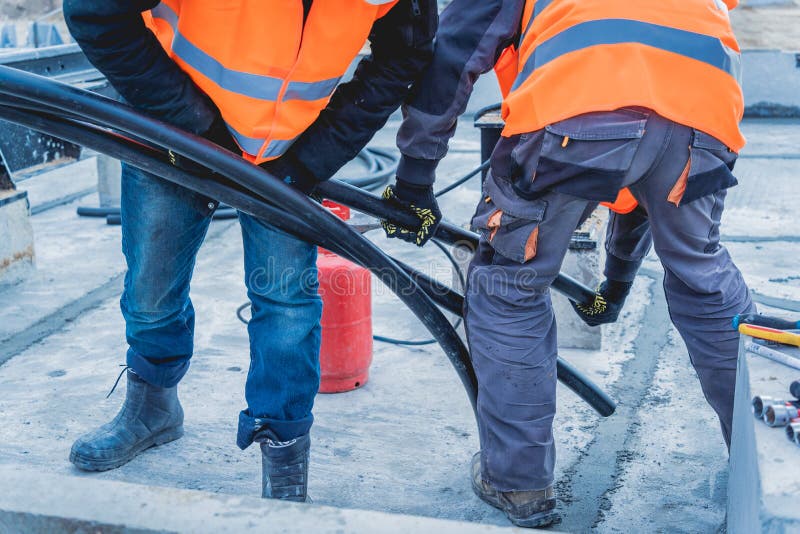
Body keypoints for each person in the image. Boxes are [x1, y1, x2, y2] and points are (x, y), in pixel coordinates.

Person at [384, 0, 754, 527]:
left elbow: (453, 55)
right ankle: (761, 453)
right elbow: (644, 159)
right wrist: (616, 283)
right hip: (707, 111)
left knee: (509, 284)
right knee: (703, 276)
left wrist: (414, 182)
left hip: (576, 105)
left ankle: (519, 483)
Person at [62, 0, 438, 502]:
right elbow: (94, 12)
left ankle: (283, 449)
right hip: (173, 127)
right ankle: (152, 408)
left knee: (287, 305)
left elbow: (405, 53)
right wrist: (197, 128)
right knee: (152, 288)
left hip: (286, 149)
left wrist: (312, 160)